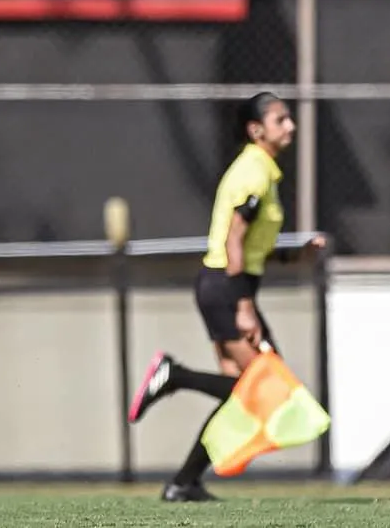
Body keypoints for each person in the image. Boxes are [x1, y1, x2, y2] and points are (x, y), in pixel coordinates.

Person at [126, 92, 326, 502]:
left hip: (225, 286)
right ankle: (173, 374)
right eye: (280, 120)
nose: (290, 126)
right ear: (257, 130)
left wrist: (294, 256)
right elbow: (234, 241)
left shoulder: (262, 170)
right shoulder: (255, 171)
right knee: (267, 390)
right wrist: (245, 308)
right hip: (226, 290)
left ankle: (183, 482)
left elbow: (251, 247)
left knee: (242, 391)